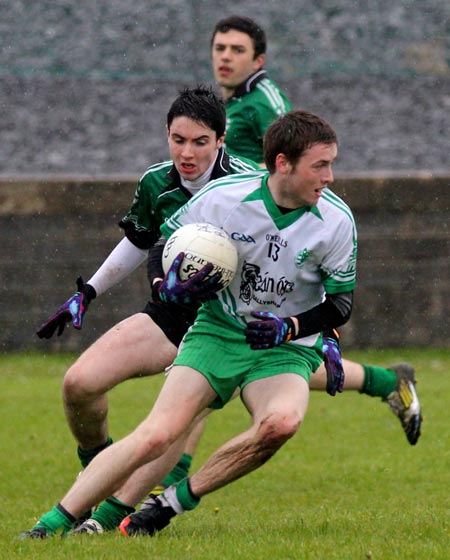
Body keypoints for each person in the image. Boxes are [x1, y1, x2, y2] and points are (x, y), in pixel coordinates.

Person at [20, 110, 410, 541]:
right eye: (320, 165)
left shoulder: (336, 221)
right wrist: (165, 285)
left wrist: (290, 327)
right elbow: (162, 243)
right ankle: (52, 524)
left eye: (331, 163)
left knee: (280, 424)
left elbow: (340, 303)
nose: (330, 176)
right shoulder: (225, 197)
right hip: (217, 330)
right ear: (283, 163)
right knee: (157, 432)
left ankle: (170, 502)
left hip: (284, 349)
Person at [211, 15, 292, 164]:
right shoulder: (225, 101)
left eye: (238, 50)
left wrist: (238, 180)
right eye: (220, 48)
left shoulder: (265, 102)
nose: (225, 57)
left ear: (257, 61)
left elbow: (291, 163)